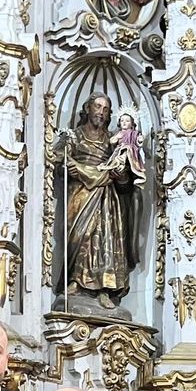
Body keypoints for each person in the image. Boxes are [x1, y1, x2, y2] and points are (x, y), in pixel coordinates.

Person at [53, 93, 141, 311]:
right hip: (80, 195)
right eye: (97, 106)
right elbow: (57, 162)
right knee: (80, 237)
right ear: (88, 108)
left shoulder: (112, 141)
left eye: (106, 109)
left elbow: (125, 181)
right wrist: (68, 166)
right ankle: (75, 280)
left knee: (106, 239)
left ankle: (104, 288)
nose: (101, 112)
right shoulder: (75, 136)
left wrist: (121, 175)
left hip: (106, 198)